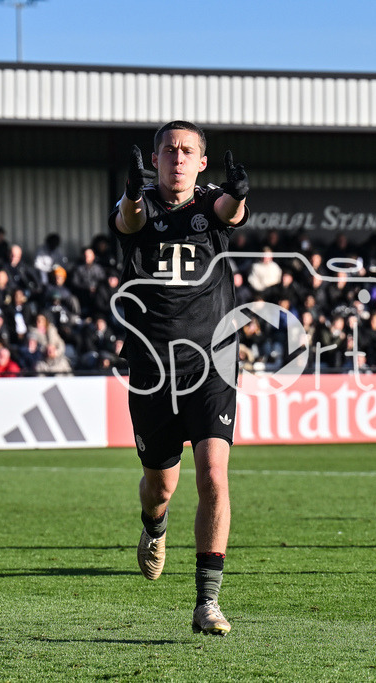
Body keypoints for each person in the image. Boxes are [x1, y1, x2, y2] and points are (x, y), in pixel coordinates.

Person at [109, 120, 249, 636]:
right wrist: (129, 191)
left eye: (188, 150)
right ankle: (154, 525)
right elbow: (128, 222)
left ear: (202, 162)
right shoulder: (138, 202)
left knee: (214, 474)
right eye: (169, 150)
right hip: (151, 367)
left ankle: (207, 601)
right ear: (155, 157)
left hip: (213, 361)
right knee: (159, 487)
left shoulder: (212, 202)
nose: (178, 158)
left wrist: (237, 193)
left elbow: (230, 213)